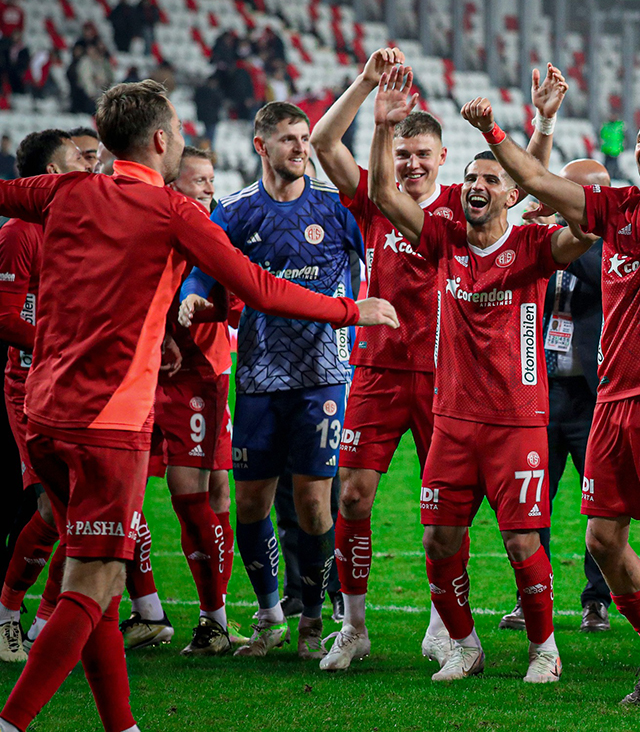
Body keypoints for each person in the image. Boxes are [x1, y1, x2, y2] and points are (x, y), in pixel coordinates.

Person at [0, 79, 397, 732]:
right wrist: (352, 309)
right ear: (160, 140)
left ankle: (122, 727)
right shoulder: (171, 211)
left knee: (96, 587)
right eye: (179, 129)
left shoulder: (64, 191)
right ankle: (13, 722)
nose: (183, 138)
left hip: (43, 417)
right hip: (108, 425)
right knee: (92, 587)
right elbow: (260, 289)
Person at [465, 2, 640, 714]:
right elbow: (535, 180)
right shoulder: (614, 209)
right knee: (603, 539)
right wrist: (495, 128)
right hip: (614, 400)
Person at [309, 48, 567, 671]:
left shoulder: (463, 203)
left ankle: (444, 629)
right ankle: (355, 626)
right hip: (377, 367)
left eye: (423, 156)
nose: (413, 164)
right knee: (354, 497)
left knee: (450, 517)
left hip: (453, 381)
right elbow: (323, 140)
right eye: (404, 156)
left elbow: (522, 183)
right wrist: (373, 97)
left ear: (442, 160)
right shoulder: (377, 198)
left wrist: (542, 125)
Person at [372, 65, 593, 683]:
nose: (475, 184)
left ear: (510, 193)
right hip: (452, 420)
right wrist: (382, 123)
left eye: (489, 179)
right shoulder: (444, 238)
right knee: (439, 542)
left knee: (523, 545)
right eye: (468, 177)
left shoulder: (530, 248)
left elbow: (583, 226)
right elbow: (387, 197)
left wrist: (538, 132)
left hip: (517, 420)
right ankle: (464, 644)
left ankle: (544, 648)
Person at [180, 101, 366, 661]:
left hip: (323, 375)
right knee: (251, 504)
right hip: (260, 374)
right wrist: (193, 292)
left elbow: (377, 256)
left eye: (305, 137)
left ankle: (313, 618)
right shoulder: (235, 212)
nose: (300, 148)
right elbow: (202, 265)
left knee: (314, 506)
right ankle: (268, 616)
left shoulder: (334, 208)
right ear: (260, 145)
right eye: (288, 139)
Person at [126, 146, 237, 656]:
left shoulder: (216, 228)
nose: (209, 189)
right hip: (148, 374)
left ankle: (214, 615)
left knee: (208, 495)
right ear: (173, 186)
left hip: (200, 377)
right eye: (199, 181)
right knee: (146, 491)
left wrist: (191, 312)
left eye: (212, 180)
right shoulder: (155, 225)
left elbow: (235, 302)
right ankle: (148, 609)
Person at [499, 160, 612, 635]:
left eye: (570, 189)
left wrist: (563, 232)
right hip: (540, 390)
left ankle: (597, 601)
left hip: (591, 394)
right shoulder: (541, 234)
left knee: (599, 504)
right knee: (532, 499)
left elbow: (597, 273)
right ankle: (532, 597)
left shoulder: (617, 240)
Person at [0, 130, 91, 663]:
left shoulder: (71, 225)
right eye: (75, 161)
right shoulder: (19, 232)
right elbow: (7, 316)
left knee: (84, 513)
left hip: (69, 378)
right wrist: (63, 341)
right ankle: (9, 615)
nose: (86, 168)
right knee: (55, 512)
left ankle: (45, 622)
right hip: (29, 383)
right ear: (49, 176)